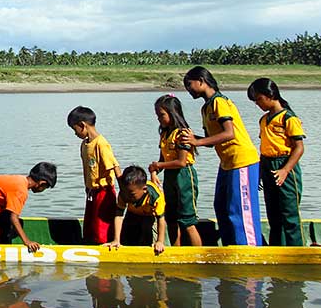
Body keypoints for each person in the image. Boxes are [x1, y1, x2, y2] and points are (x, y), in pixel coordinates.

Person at [179, 67, 262, 246]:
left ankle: (248, 250)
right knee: (222, 207)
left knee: (239, 210)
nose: (189, 89)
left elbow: (229, 133)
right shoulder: (206, 108)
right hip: (226, 163)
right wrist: (193, 139)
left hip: (241, 160)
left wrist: (197, 142)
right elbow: (211, 141)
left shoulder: (219, 102)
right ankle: (230, 245)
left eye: (189, 84)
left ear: (201, 81)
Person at [248, 78, 306, 246]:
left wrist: (285, 170)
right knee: (273, 214)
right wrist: (260, 171)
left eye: (259, 99)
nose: (258, 104)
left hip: (285, 165)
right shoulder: (264, 120)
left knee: (289, 214)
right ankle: (277, 249)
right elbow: (265, 147)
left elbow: (299, 148)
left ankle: (297, 251)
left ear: (270, 95)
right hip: (267, 165)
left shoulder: (288, 118)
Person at [148, 94, 203, 247]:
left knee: (187, 220)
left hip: (184, 176)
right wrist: (154, 170)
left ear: (173, 113)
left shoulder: (182, 134)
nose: (159, 119)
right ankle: (175, 249)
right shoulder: (165, 134)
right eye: (157, 115)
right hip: (170, 176)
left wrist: (158, 166)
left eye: (162, 115)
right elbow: (162, 160)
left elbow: (181, 162)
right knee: (171, 218)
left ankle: (198, 254)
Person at [0, 162, 57, 252]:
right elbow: (13, 217)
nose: (43, 190)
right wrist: (27, 241)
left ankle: (2, 241)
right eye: (45, 187)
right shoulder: (21, 191)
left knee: (7, 224)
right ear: (41, 183)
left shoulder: (22, 181)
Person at [68, 106, 122, 244]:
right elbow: (87, 169)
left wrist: (123, 191)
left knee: (101, 227)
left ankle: (105, 246)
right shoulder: (84, 145)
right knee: (90, 225)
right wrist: (87, 186)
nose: (75, 134)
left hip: (104, 191)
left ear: (82, 125)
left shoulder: (101, 144)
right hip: (92, 191)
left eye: (75, 130)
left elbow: (114, 166)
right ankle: (90, 244)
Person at [107, 165, 168, 255]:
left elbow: (161, 219)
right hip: (132, 213)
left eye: (132, 194)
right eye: (126, 192)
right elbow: (119, 216)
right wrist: (116, 239)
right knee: (126, 233)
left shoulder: (155, 197)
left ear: (144, 190)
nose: (128, 196)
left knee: (146, 228)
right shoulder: (124, 194)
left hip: (150, 216)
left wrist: (160, 241)